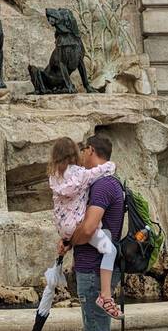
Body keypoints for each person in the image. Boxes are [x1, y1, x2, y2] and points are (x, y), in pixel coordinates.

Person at [57, 131, 132, 331]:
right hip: (94, 265)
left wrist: (69, 240)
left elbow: (89, 228)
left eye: (83, 151)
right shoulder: (106, 183)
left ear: (91, 151)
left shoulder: (102, 186)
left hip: (95, 267)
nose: (79, 158)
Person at [48, 136, 120, 318]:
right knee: (110, 250)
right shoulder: (82, 175)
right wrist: (111, 166)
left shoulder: (54, 177)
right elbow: (87, 229)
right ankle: (105, 295)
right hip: (78, 225)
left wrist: (68, 240)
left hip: (64, 226)